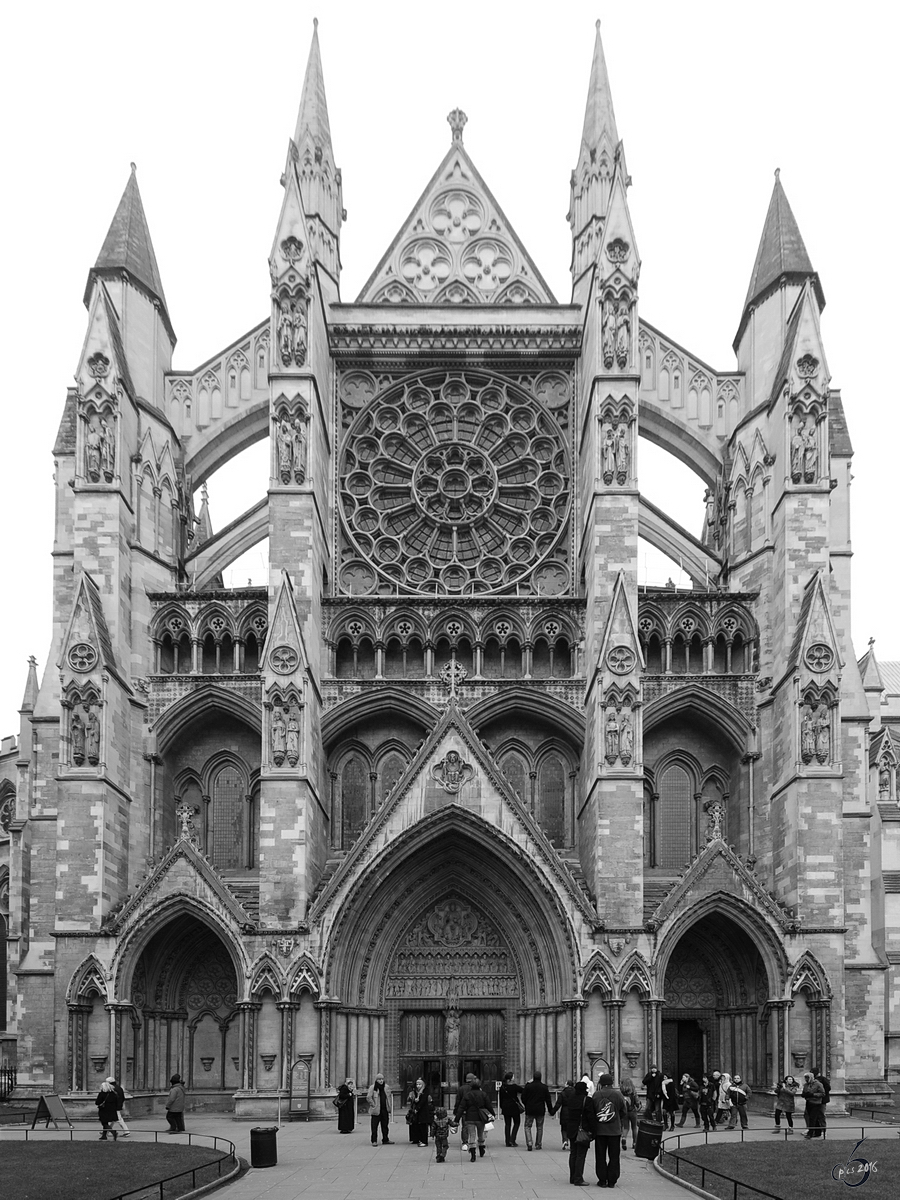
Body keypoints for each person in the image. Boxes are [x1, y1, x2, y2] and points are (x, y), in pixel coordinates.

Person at [593, 1073, 629, 1189]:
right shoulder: (617, 1095)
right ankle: (612, 1180)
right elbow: (624, 1111)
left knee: (600, 1156)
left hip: (600, 1130)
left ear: (601, 1083)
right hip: (614, 1130)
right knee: (614, 1156)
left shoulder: (596, 1095)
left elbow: (592, 1111)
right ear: (611, 1083)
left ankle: (602, 1180)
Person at [564, 1079, 599, 1186]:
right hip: (582, 1130)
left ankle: (572, 1176)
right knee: (580, 1155)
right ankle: (578, 1178)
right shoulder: (587, 1100)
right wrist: (594, 1131)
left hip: (571, 1129)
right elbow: (590, 1117)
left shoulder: (571, 1099)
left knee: (573, 1153)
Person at [454, 1074, 494, 1161]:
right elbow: (489, 1105)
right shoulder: (483, 1094)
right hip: (480, 1118)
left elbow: (461, 1107)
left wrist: (456, 1119)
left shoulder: (467, 1095)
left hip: (470, 1117)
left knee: (472, 1135)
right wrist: (492, 1114)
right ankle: (481, 1148)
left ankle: (473, 1154)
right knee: (480, 1133)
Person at [521, 1069, 554, 1150]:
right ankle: (538, 1144)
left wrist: (527, 1104)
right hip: (540, 1109)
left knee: (527, 1126)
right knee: (539, 1127)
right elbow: (548, 1100)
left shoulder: (528, 1086)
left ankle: (529, 1142)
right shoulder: (544, 1087)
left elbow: (523, 1097)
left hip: (530, 1109)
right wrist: (551, 1110)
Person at [498, 1070, 524, 1146]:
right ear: (510, 1078)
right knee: (517, 1123)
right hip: (514, 1107)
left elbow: (501, 1098)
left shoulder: (502, 1087)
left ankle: (507, 1141)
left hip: (506, 1107)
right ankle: (512, 1140)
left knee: (507, 1124)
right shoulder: (514, 1087)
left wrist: (502, 1107)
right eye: (513, 1076)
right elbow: (523, 1091)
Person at [366, 1072, 393, 1145]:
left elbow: (388, 1097)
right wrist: (373, 1105)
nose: (381, 1081)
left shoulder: (386, 1087)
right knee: (374, 1126)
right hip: (376, 1110)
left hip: (384, 1109)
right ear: (376, 1080)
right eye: (379, 1079)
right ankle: (374, 1140)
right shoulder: (373, 1087)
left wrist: (389, 1106)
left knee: (385, 1126)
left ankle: (385, 1139)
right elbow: (368, 1097)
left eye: (382, 1079)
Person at [406, 1076, 432, 1146]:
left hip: (423, 1111)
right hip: (416, 1111)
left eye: (420, 1084)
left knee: (423, 1125)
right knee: (417, 1125)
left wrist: (417, 1108)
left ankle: (424, 1141)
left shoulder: (425, 1091)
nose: (418, 1086)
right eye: (417, 1084)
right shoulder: (415, 1091)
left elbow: (423, 1101)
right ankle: (417, 1138)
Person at [553, 1079, 577, 1150]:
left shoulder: (563, 1093)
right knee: (572, 1128)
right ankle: (572, 1142)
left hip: (564, 1111)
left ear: (567, 1085)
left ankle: (565, 1140)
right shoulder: (575, 1093)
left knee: (564, 1128)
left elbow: (558, 1104)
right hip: (573, 1112)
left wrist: (553, 1111)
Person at [801, 1071, 826, 1138]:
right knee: (814, 1118)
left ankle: (810, 1133)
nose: (806, 1079)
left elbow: (823, 1093)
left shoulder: (818, 1084)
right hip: (809, 1102)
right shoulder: (806, 1085)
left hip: (816, 1103)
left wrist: (813, 1094)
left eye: (807, 1077)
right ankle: (818, 1132)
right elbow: (804, 1092)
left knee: (812, 1118)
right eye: (805, 1078)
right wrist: (804, 1095)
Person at [619, 1077, 640, 1149]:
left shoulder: (621, 1092)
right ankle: (635, 1143)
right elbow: (637, 1102)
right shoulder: (633, 1091)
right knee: (634, 1127)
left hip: (625, 1112)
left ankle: (624, 1138)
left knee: (626, 1127)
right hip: (632, 1111)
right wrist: (638, 1106)